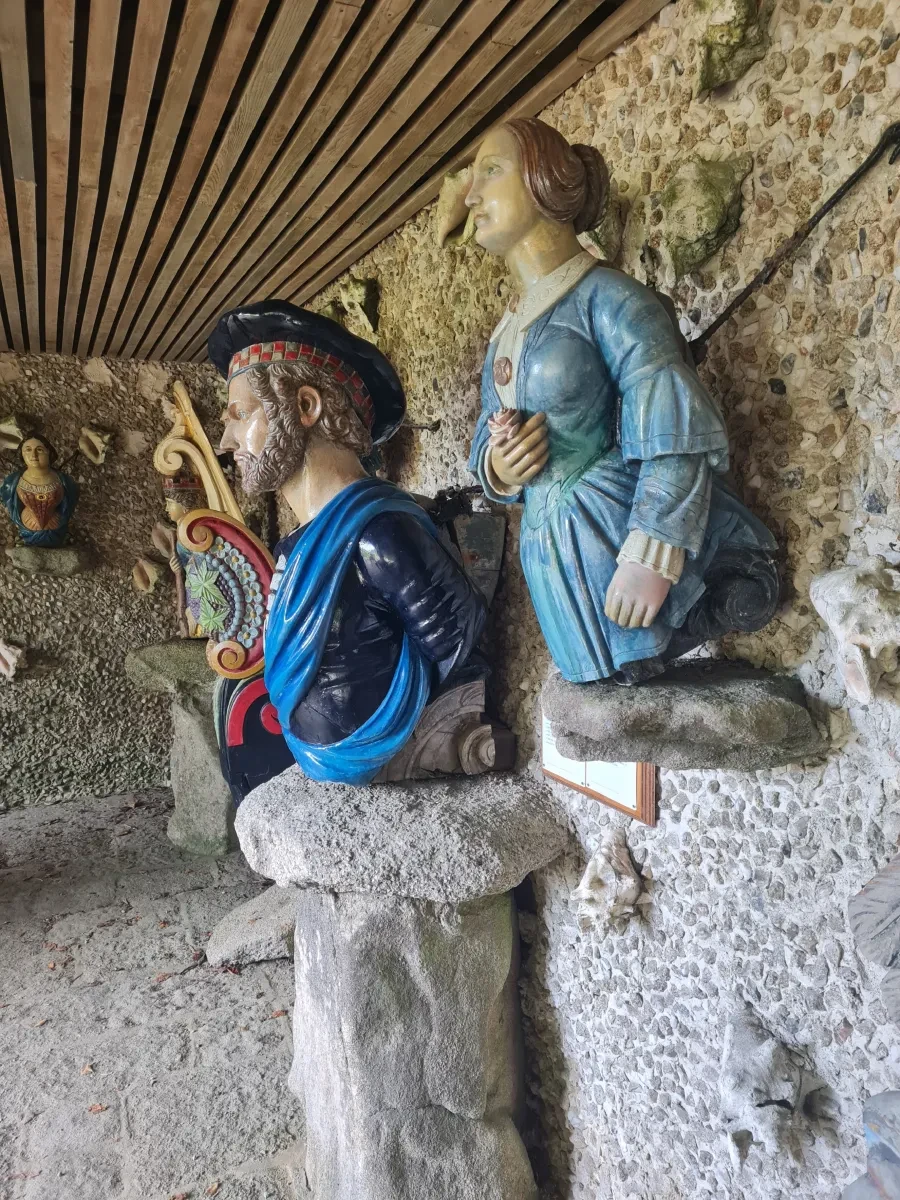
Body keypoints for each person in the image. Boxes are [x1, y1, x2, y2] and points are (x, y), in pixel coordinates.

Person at [465, 118, 778, 685]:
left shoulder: (609, 299)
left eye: (491, 171)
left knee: (632, 675)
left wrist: (652, 552)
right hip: (550, 553)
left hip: (614, 534)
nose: (471, 194)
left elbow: (671, 424)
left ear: (542, 180)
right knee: (597, 690)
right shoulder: (504, 333)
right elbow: (486, 436)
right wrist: (499, 467)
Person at [208, 301, 487, 784]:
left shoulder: (380, 533)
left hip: (390, 757)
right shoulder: (293, 547)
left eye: (239, 415)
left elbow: (460, 649)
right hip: (322, 761)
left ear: (306, 407)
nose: (226, 441)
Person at [1, 432, 78, 548]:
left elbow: (70, 502)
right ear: (21, 454)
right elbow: (8, 502)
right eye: (28, 450)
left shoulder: (64, 481)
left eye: (40, 450)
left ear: (49, 452)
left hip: (57, 532)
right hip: (27, 532)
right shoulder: (12, 482)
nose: (34, 455)